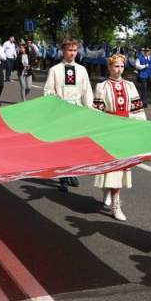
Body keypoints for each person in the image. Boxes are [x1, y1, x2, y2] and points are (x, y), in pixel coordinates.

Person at [93, 54, 146, 220]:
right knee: (110, 167)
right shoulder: (102, 86)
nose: (119, 69)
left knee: (120, 168)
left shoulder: (130, 86)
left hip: (124, 130)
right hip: (109, 131)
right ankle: (109, 195)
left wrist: (139, 128)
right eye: (116, 66)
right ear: (109, 67)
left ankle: (116, 202)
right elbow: (96, 112)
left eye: (122, 66)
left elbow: (137, 108)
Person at [44, 38, 94, 191]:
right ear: (63, 51)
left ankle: (72, 172)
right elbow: (48, 91)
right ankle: (63, 177)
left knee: (75, 145)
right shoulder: (55, 70)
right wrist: (55, 101)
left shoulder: (81, 70)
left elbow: (87, 91)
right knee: (62, 145)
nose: (72, 53)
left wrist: (89, 108)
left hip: (76, 110)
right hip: (61, 111)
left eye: (74, 50)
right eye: (69, 50)